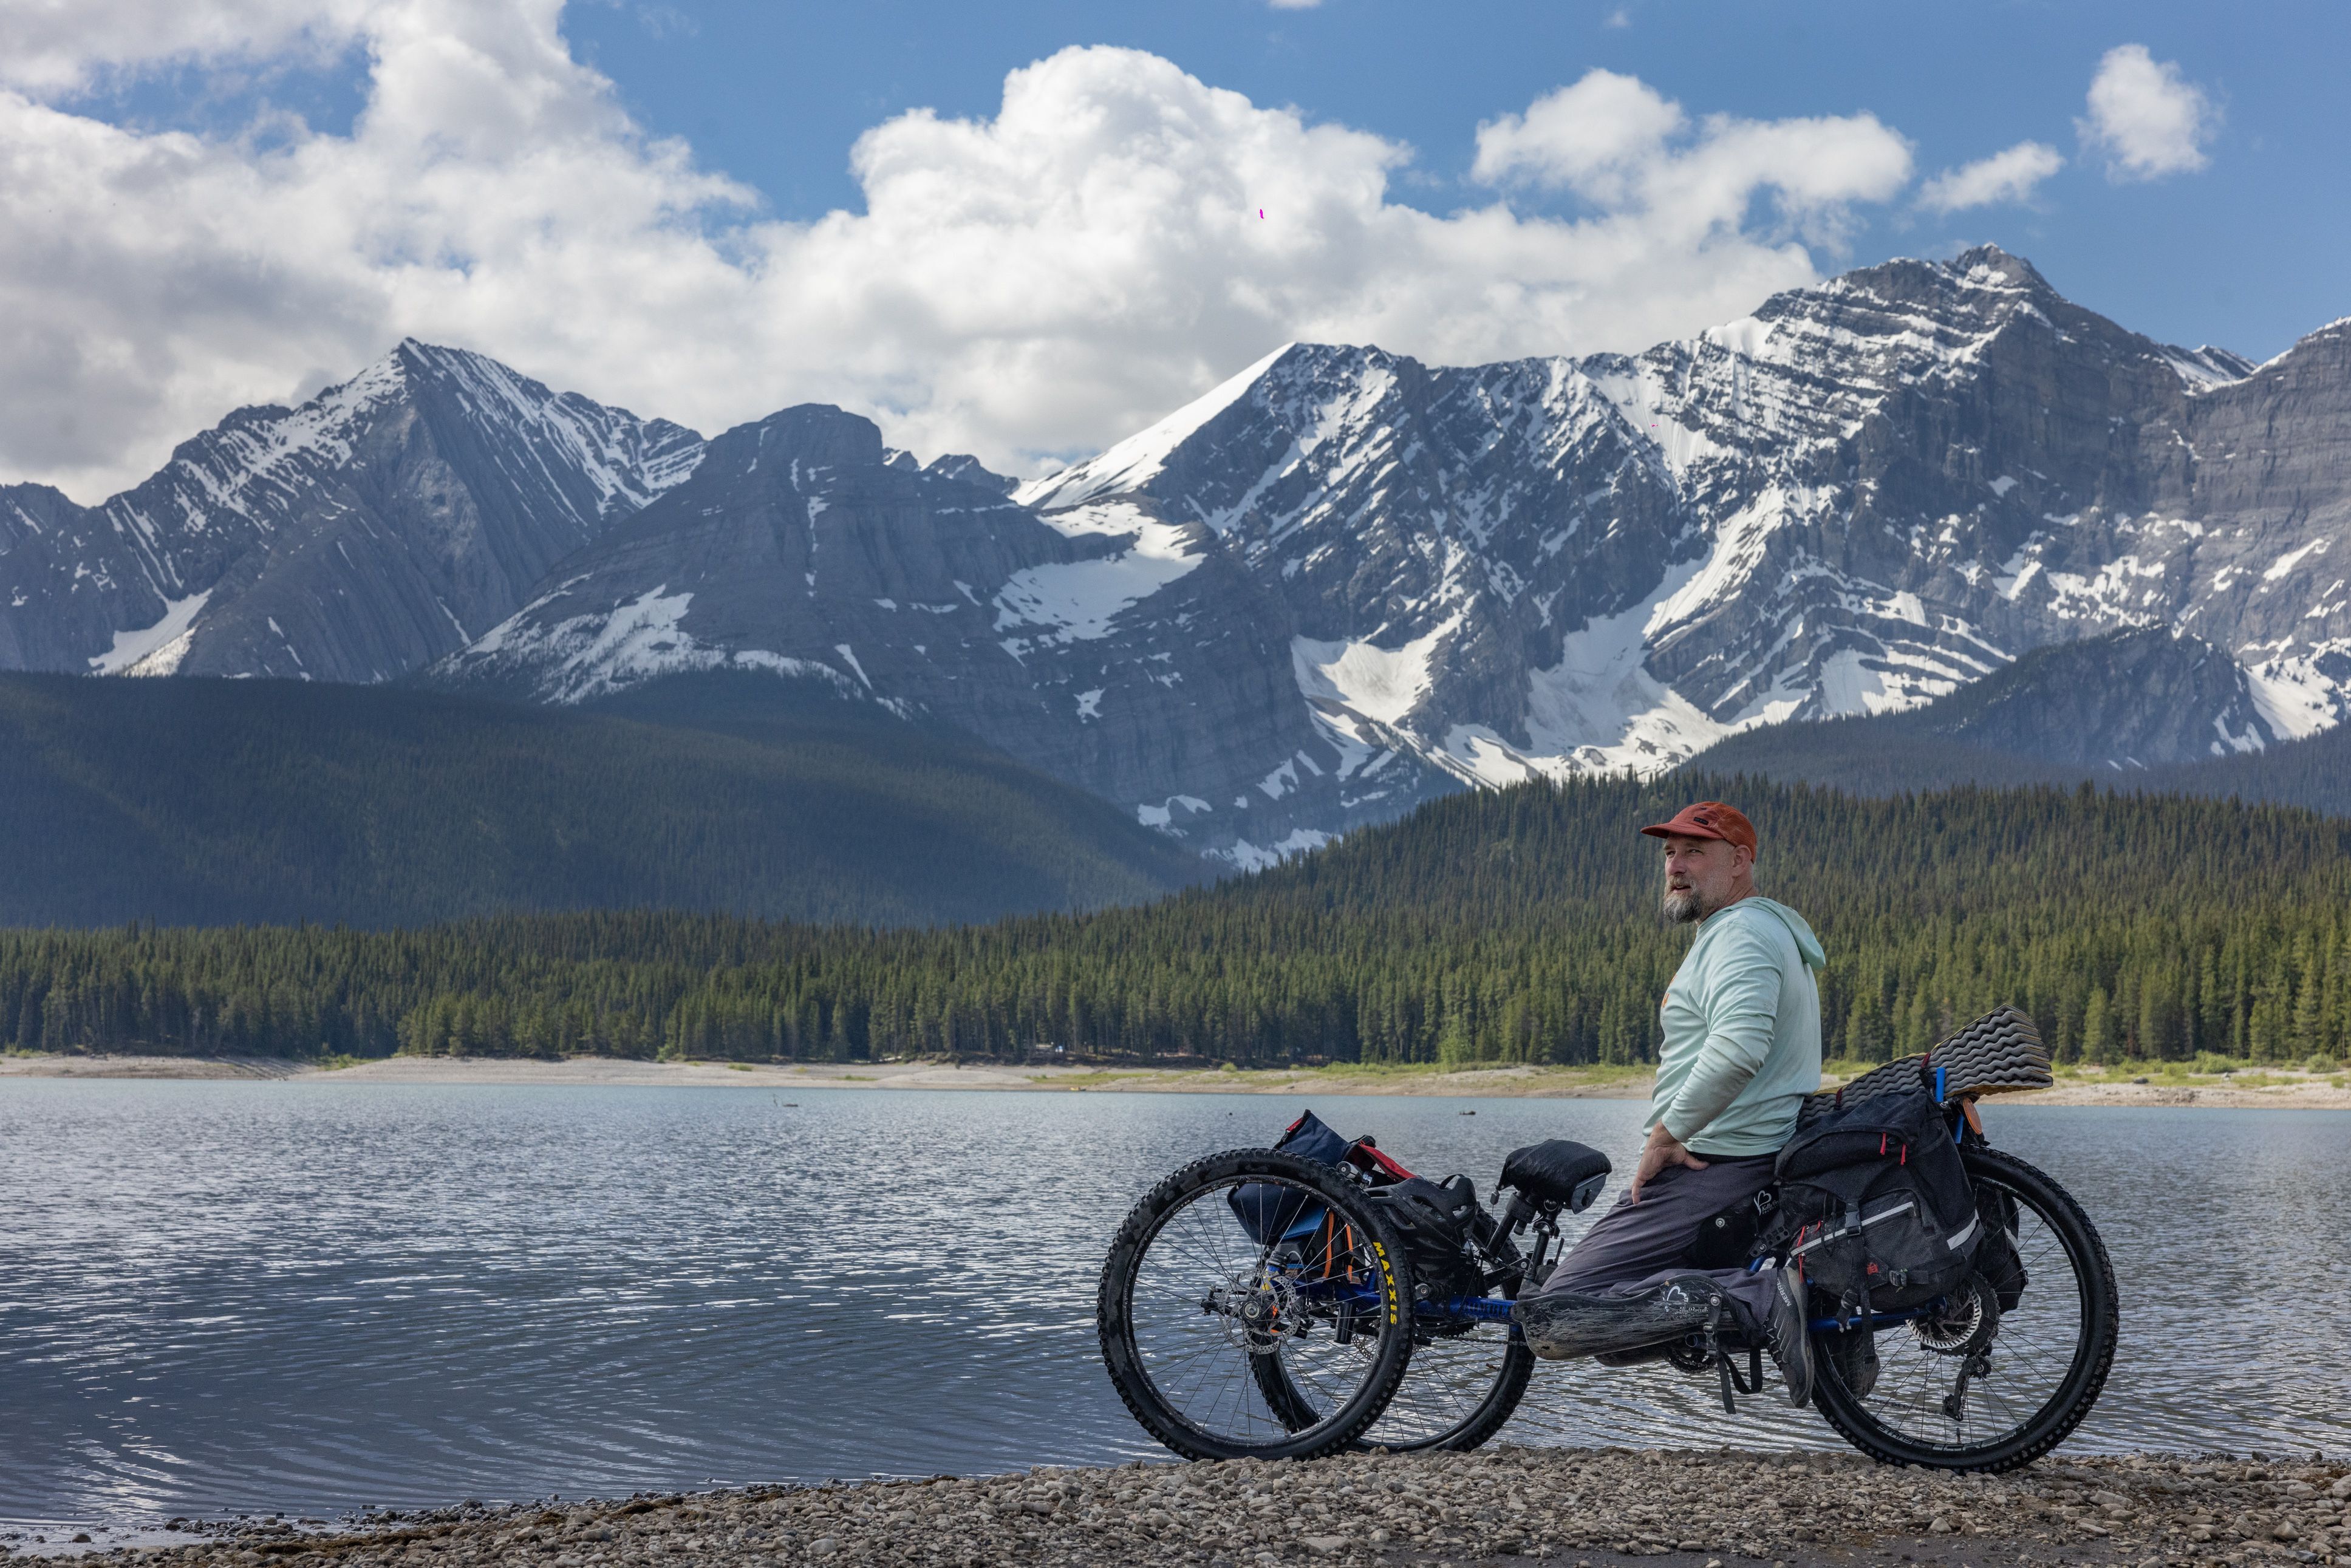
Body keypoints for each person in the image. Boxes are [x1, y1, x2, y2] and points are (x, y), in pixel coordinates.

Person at [1509, 800, 1829, 1405]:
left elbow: (1738, 1047)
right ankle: (1781, 1305)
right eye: (1668, 853)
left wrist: (1666, 1134)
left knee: (1553, 1316)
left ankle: (1765, 1296)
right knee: (1620, 1319)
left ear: (1739, 862)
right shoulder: (1756, 927)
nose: (1675, 866)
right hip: (1737, 1157)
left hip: (1713, 1164)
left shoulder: (1742, 933)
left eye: (1693, 851)